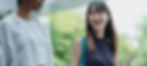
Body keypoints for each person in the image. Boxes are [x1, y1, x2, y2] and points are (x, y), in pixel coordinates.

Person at [0, 0, 54, 66]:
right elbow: (3, 60)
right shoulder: (7, 25)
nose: (43, 1)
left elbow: (49, 57)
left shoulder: (42, 24)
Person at [72, 1, 118, 66]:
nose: (96, 17)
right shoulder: (81, 43)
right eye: (92, 14)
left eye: (99, 13)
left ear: (108, 17)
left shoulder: (111, 45)